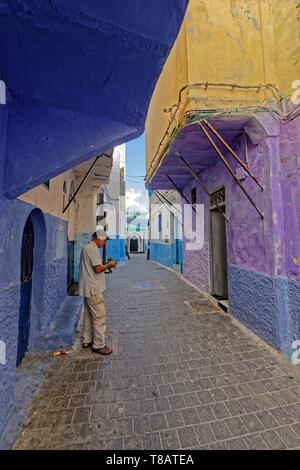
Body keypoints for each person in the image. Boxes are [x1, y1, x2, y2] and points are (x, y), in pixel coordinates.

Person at [78, 229, 117, 355]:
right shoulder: (93, 249)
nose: (104, 244)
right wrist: (109, 265)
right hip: (94, 289)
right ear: (98, 238)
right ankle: (99, 344)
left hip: (87, 288)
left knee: (89, 315)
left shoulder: (86, 248)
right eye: (104, 241)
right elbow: (98, 269)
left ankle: (87, 340)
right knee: (100, 317)